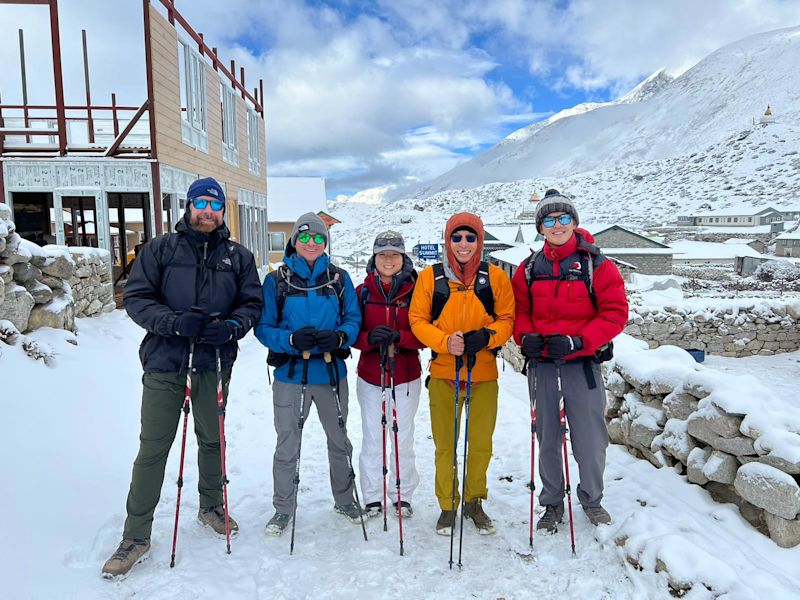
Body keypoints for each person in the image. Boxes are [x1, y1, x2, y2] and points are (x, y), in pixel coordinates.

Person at [102, 177, 263, 578]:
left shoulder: (237, 256)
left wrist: (230, 327)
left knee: (212, 439)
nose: (208, 211)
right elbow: (137, 299)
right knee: (154, 446)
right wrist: (174, 324)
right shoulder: (160, 249)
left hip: (214, 363)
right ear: (189, 206)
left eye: (215, 205)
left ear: (223, 211)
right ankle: (135, 535)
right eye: (201, 203)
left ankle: (211, 506)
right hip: (165, 361)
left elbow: (252, 303)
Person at [511, 189, 628, 532]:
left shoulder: (596, 264)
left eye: (563, 218)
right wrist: (525, 337)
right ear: (541, 227)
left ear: (574, 222)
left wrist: (578, 341)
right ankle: (551, 503)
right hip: (544, 365)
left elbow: (615, 313)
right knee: (547, 436)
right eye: (549, 219)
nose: (557, 224)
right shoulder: (529, 268)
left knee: (590, 438)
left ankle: (591, 499)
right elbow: (519, 310)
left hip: (583, 363)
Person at [255, 212, 366, 535]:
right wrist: (289, 340)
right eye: (304, 237)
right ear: (294, 241)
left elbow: (353, 319)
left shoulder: (339, 278)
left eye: (318, 237)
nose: (311, 242)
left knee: (339, 441)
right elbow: (263, 327)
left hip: (331, 372)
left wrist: (341, 336)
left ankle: (344, 499)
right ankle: (283, 508)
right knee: (288, 443)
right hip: (291, 374)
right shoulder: (277, 281)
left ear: (325, 242)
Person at [408, 213, 514, 535]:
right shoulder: (431, 278)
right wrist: (444, 342)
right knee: (445, 445)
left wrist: (487, 337)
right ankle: (447, 504)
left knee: (480, 444)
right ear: (448, 240)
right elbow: (417, 320)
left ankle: (473, 501)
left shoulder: (495, 278)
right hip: (443, 372)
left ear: (479, 241)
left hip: (483, 373)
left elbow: (507, 319)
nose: (464, 244)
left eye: (470, 238)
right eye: (457, 238)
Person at [353, 231, 425, 519]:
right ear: (374, 258)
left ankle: (402, 495)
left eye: (394, 254)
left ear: (403, 258)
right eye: (382, 254)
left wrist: (401, 338)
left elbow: (426, 334)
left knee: (402, 437)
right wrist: (370, 338)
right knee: (373, 437)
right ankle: (372, 496)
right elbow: (350, 333)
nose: (388, 259)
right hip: (371, 374)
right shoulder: (363, 291)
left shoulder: (418, 290)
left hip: (406, 375)